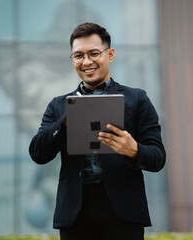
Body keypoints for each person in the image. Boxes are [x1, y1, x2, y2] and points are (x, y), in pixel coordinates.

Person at [29, 22, 166, 240]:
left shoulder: (137, 99)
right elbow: (37, 153)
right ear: (72, 59)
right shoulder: (58, 105)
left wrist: (134, 150)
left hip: (124, 212)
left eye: (94, 53)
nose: (86, 62)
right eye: (78, 55)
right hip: (75, 213)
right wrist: (65, 122)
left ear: (110, 54)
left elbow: (158, 158)